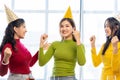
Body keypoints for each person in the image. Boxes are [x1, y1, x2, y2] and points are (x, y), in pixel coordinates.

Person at [38, 6, 86, 80]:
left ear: (73, 29)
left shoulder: (78, 45)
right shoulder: (55, 44)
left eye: (67, 26)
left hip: (69, 78)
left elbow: (82, 62)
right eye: (61, 26)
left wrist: (78, 40)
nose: (64, 29)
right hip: (53, 78)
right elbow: (41, 62)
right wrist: (41, 45)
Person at [0, 5, 41, 80]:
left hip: (29, 77)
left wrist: (41, 50)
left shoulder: (21, 45)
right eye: (24, 27)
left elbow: (30, 63)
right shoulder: (8, 46)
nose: (26, 30)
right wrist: (6, 58)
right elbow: (2, 73)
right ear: (15, 29)